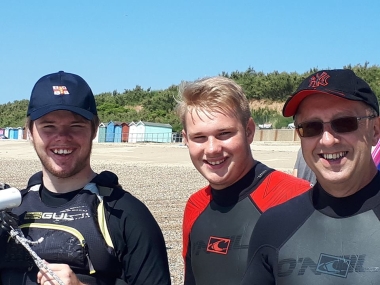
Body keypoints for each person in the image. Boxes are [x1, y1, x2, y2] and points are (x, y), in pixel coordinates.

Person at [0, 71, 171, 285]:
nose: (62, 137)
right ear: (30, 132)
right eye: (48, 126)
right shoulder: (11, 211)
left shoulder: (127, 215)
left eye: (76, 126)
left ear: (93, 130)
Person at [241, 69, 380, 284]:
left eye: (344, 123)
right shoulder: (274, 226)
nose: (327, 140)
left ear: (376, 130)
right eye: (311, 127)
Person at [176, 76, 311, 285]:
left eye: (224, 133)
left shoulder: (296, 197)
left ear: (249, 131)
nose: (212, 149)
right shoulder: (195, 205)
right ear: (185, 139)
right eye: (199, 137)